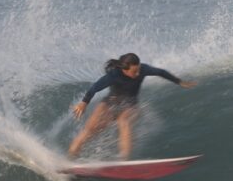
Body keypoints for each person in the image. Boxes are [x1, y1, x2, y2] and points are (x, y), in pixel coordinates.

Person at [68, 53, 196, 160]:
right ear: (125, 69)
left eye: (139, 69)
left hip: (130, 105)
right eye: (134, 71)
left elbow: (161, 72)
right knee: (90, 129)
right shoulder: (114, 75)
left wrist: (179, 82)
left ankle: (124, 160)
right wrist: (84, 102)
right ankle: (71, 158)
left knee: (123, 122)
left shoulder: (143, 70)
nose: (138, 73)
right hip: (110, 103)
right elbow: (95, 87)